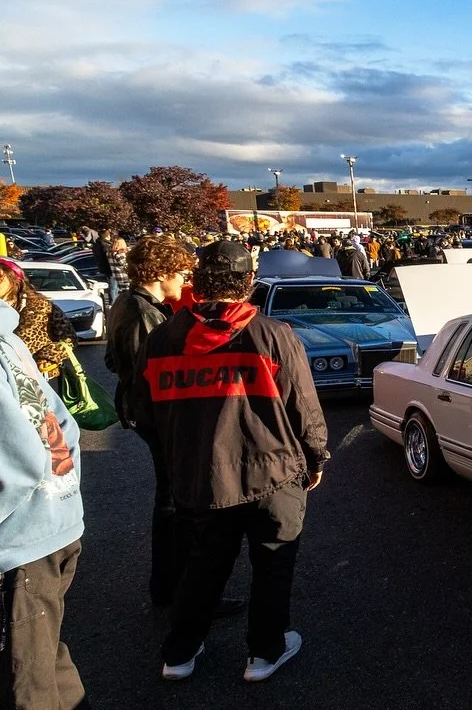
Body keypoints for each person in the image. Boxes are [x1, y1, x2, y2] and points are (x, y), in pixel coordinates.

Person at [132, 241, 328, 682]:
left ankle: (180, 653)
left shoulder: (163, 338)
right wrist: (316, 457)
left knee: (204, 564)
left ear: (198, 283)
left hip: (202, 476)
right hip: (273, 472)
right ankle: (264, 653)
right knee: (273, 564)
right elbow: (304, 409)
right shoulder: (273, 335)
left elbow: (143, 411)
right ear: (249, 284)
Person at [104, 236, 209, 609]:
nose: (185, 282)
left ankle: (173, 587)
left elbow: (112, 362)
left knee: (173, 499)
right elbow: (151, 373)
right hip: (159, 419)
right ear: (160, 272)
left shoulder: (130, 304)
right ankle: (176, 590)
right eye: (181, 273)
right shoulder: (140, 311)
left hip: (147, 415)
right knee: (175, 503)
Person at [0, 297, 87, 709]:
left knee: (27, 681)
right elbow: (63, 425)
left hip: (22, 537)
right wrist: (65, 487)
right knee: (46, 657)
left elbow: (20, 458)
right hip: (54, 518)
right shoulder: (10, 337)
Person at [0, 260, 76, 380]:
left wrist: (49, 356)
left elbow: (22, 344)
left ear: (15, 281)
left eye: (0, 278)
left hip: (30, 374)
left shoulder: (36, 306)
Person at [108, 236, 130, 304]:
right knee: (128, 294)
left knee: (122, 294)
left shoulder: (109, 253)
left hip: (116, 276)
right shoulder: (120, 254)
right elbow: (125, 265)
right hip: (124, 276)